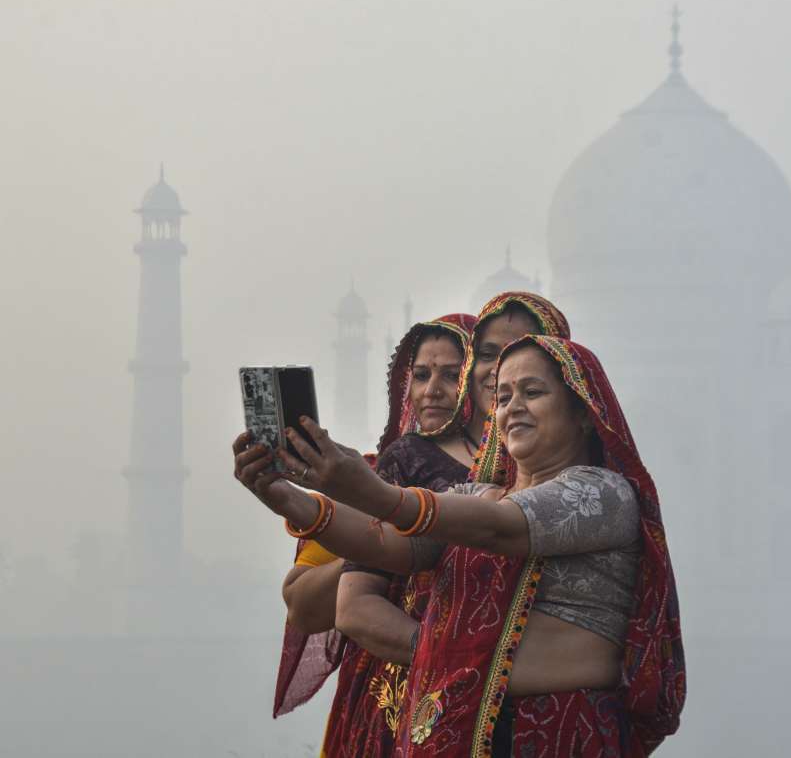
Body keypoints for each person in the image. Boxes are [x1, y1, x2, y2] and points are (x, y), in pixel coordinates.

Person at [233, 335, 684, 756]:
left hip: (561, 735)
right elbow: (390, 546)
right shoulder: (475, 494)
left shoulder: (602, 494)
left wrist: (374, 492)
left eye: (533, 392)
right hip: (456, 734)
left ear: (583, 411)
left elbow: (500, 529)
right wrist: (289, 499)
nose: (514, 408)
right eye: (503, 397)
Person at [327, 293, 570, 756]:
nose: (502, 370)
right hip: (427, 707)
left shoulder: (592, 488)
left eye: (519, 357)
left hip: (550, 724)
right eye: (488, 354)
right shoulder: (431, 468)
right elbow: (381, 569)